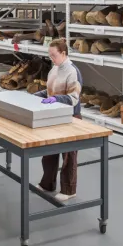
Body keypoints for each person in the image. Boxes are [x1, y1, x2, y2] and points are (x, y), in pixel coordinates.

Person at [34, 38, 83, 202]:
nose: (51, 59)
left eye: (54, 55)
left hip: (70, 118)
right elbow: (50, 91)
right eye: (49, 56)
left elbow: (74, 98)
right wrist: (36, 96)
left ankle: (69, 190)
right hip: (53, 116)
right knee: (49, 153)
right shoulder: (54, 69)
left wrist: (56, 99)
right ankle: (47, 183)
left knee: (69, 156)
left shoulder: (72, 71)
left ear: (63, 53)